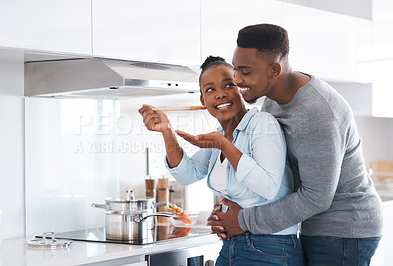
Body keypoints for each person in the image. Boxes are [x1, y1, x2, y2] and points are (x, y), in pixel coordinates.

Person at [206, 24, 384, 265]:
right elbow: (275, 173)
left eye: (245, 72)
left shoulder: (317, 114)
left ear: (274, 69)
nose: (237, 80)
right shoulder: (271, 101)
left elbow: (317, 197)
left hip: (345, 227)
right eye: (236, 69)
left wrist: (244, 220)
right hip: (315, 224)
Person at [139, 56, 304, 265]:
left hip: (271, 247)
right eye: (210, 90)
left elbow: (268, 186)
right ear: (202, 100)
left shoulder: (262, 124)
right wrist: (167, 131)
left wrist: (224, 145)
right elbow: (187, 174)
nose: (220, 94)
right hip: (232, 244)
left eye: (229, 85)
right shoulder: (220, 134)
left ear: (241, 89)